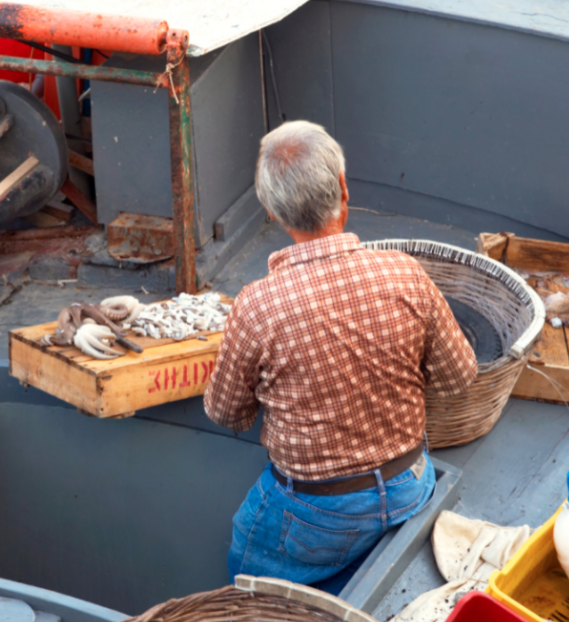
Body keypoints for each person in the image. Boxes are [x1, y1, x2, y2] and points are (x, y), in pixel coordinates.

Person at [204, 120, 477, 593]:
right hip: (410, 484)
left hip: (315, 516)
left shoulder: (257, 305)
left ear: (271, 210)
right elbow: (460, 377)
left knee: (248, 575)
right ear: (343, 188)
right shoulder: (405, 274)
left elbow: (226, 412)